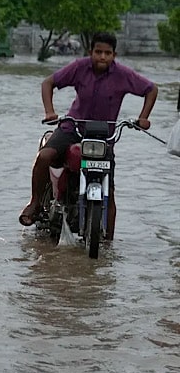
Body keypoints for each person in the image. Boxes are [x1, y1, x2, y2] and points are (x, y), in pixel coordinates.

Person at [19, 32, 157, 240]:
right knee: (44, 156)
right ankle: (35, 202)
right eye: (98, 52)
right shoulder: (79, 67)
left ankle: (108, 243)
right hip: (71, 129)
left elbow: (151, 89)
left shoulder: (123, 75)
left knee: (108, 190)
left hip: (103, 138)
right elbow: (48, 83)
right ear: (90, 52)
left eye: (107, 53)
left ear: (114, 55)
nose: (102, 57)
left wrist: (143, 118)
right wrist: (49, 111)